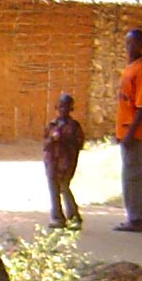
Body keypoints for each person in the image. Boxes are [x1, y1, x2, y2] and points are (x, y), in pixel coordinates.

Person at [114, 27, 142, 232]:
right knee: (132, 175)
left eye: (133, 43)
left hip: (138, 133)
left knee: (135, 176)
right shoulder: (129, 68)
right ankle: (139, 216)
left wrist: (130, 133)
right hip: (127, 131)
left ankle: (137, 219)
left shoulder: (141, 69)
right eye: (127, 43)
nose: (129, 47)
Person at [41, 92, 84, 229]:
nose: (63, 110)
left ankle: (74, 217)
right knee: (53, 190)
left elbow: (79, 143)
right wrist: (52, 139)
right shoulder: (52, 125)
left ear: (71, 109)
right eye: (60, 107)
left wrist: (65, 140)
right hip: (52, 161)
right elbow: (45, 143)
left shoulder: (74, 126)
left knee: (64, 188)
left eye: (66, 107)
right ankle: (57, 218)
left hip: (66, 161)